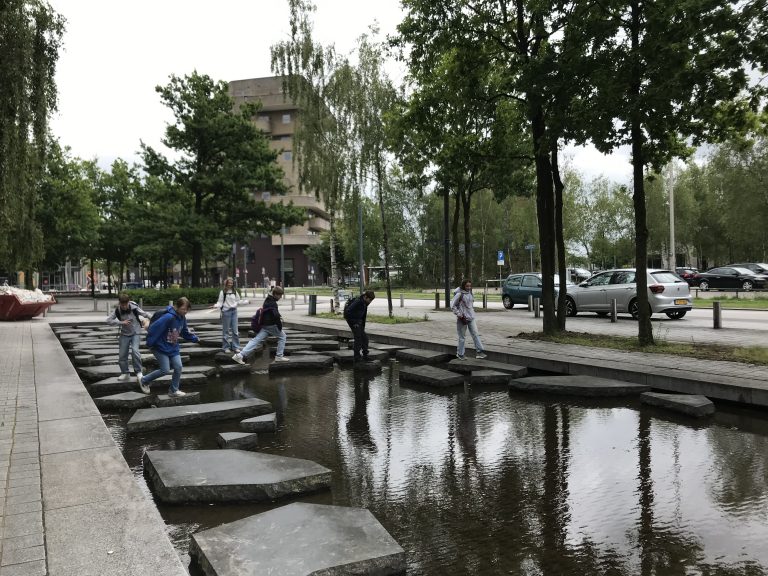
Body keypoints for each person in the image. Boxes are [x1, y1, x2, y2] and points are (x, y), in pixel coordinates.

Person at [138, 297, 199, 396]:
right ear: (177, 307)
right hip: (160, 346)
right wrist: (150, 343)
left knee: (178, 367)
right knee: (165, 370)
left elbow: (184, 331)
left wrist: (194, 338)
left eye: (187, 309)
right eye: (183, 309)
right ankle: (144, 380)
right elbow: (153, 329)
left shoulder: (182, 317)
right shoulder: (168, 317)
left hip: (173, 347)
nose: (185, 311)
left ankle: (173, 390)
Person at [232, 286, 289, 364]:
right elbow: (275, 316)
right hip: (271, 325)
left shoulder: (268, 299)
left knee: (255, 340)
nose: (280, 297)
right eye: (280, 295)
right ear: (275, 294)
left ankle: (239, 355)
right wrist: (280, 326)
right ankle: (279, 356)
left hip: (265, 325)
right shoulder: (272, 303)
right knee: (283, 336)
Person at [106, 293, 151, 381]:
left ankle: (139, 372)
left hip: (135, 333)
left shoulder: (134, 308)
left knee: (135, 351)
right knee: (122, 354)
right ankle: (125, 373)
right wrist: (121, 322)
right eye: (122, 305)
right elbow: (108, 320)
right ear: (119, 303)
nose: (124, 307)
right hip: (124, 334)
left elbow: (145, 314)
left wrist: (155, 317)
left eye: (125, 304)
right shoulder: (118, 310)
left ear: (128, 302)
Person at [451, 279, 487, 360]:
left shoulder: (470, 293)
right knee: (462, 337)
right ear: (463, 286)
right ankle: (460, 354)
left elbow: (470, 305)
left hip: (471, 317)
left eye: (470, 286)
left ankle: (479, 352)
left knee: (475, 334)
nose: (469, 287)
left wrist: (471, 313)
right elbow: (452, 306)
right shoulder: (459, 294)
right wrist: (459, 314)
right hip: (462, 318)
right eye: (467, 286)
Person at [344, 290, 375, 363]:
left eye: (371, 300)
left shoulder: (365, 303)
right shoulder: (358, 302)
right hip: (353, 322)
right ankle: (357, 357)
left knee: (365, 338)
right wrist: (354, 322)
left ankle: (365, 355)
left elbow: (363, 316)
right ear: (365, 297)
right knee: (358, 338)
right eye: (369, 300)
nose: (370, 302)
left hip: (358, 321)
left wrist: (362, 327)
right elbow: (348, 312)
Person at [213, 277, 241, 354]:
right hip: (226, 312)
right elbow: (220, 302)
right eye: (229, 283)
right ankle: (226, 347)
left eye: (231, 283)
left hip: (234, 311)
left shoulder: (235, 291)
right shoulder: (223, 292)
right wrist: (215, 305)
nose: (230, 284)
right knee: (226, 331)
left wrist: (244, 302)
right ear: (226, 284)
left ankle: (236, 347)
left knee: (235, 331)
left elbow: (238, 300)